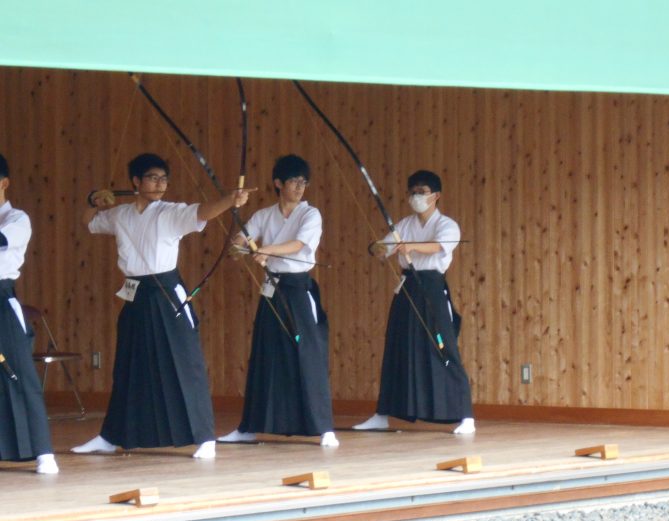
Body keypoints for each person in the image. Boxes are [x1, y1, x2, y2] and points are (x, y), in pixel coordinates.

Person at [72, 153, 249, 459]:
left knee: (184, 363)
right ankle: (111, 436)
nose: (160, 184)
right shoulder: (121, 214)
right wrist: (93, 200)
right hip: (136, 294)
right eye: (153, 178)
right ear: (136, 182)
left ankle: (204, 437)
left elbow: (204, 212)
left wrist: (230, 201)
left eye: (164, 179)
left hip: (166, 293)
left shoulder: (170, 212)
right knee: (128, 367)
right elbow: (88, 223)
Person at [218, 154, 338, 447]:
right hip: (273, 289)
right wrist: (240, 245)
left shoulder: (310, 214)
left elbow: (299, 245)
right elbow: (239, 243)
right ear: (278, 183)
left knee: (307, 354)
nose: (299, 187)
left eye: (303, 182)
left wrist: (269, 250)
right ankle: (249, 428)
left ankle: (325, 428)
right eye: (294, 181)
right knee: (264, 355)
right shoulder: (263, 215)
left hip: (298, 289)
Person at [353, 170, 474, 434]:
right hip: (408, 288)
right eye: (413, 192)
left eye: (422, 191)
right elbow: (383, 249)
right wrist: (379, 248)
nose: (417, 196)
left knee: (444, 347)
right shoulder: (404, 225)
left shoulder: (447, 225)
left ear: (436, 196)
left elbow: (439, 246)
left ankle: (465, 416)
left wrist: (412, 247)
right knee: (397, 346)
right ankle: (383, 414)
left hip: (431, 287)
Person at [0, 154, 59, 474]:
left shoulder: (17, 219)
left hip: (2, 300)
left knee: (20, 373)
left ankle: (43, 451)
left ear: (4, 183)